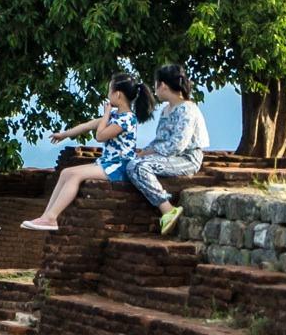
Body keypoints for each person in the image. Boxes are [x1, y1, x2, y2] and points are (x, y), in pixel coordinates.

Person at [20, 74, 153, 231]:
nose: (107, 95)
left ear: (117, 94)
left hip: (119, 166)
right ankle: (46, 217)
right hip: (107, 163)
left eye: (109, 91)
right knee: (66, 173)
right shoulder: (114, 116)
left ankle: (51, 218)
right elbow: (88, 125)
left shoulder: (127, 119)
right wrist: (64, 135)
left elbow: (100, 136)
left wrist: (105, 115)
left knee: (75, 175)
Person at [137, 64, 210, 236]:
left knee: (140, 167)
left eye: (156, 85)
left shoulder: (187, 109)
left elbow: (177, 145)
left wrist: (147, 154)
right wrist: (142, 152)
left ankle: (167, 209)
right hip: (168, 156)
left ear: (163, 85)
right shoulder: (166, 110)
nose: (155, 90)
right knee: (134, 163)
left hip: (186, 158)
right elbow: (160, 140)